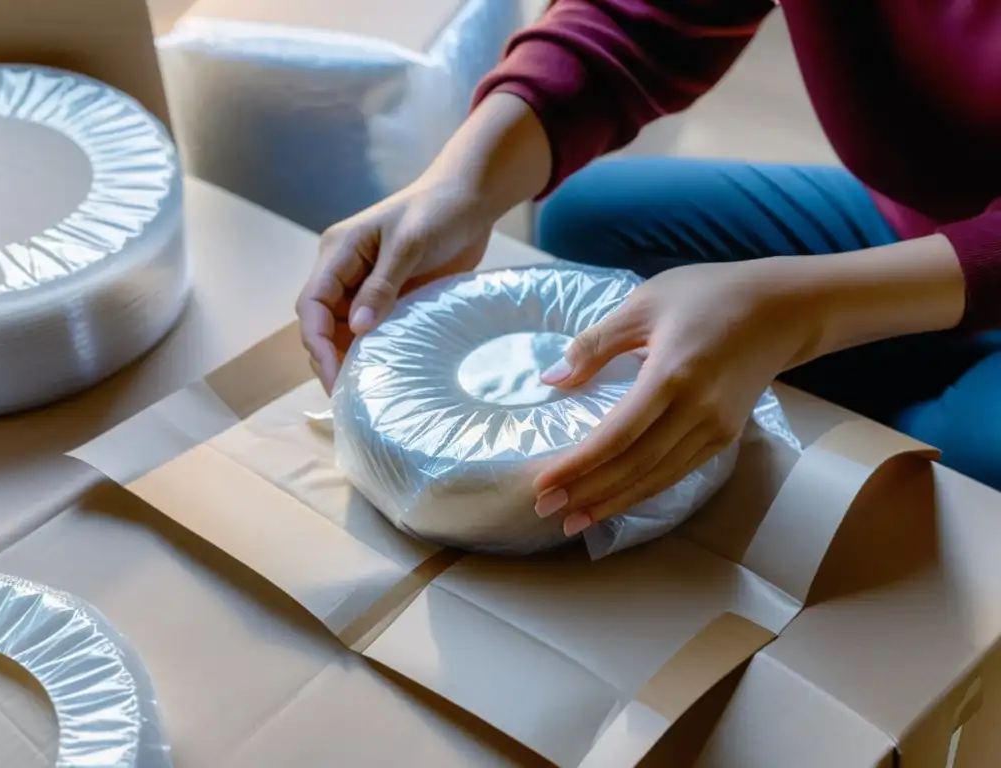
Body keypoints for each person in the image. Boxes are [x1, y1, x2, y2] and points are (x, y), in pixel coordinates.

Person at [297, 1, 1001, 538]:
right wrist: (458, 185)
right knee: (585, 220)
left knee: (967, 471)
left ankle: (923, 389)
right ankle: (906, 356)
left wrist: (797, 314)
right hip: (929, 221)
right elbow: (647, 16)